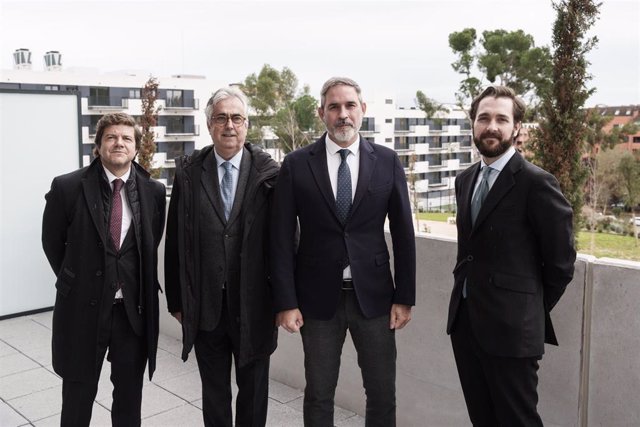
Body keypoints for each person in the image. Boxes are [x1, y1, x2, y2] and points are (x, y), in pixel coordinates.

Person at [270, 77, 416, 426]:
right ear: (321, 113)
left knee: (382, 393)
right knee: (319, 393)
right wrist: (285, 302)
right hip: (317, 301)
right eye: (334, 107)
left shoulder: (387, 160)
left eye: (350, 105)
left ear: (362, 110)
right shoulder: (296, 164)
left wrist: (405, 297)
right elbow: (280, 237)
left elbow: (403, 231)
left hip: (377, 300)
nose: (342, 114)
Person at [446, 85, 576, 426]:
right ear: (473, 124)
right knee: (483, 419)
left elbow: (561, 264)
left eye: (501, 119)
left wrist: (525, 310)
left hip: (512, 332)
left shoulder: (537, 183)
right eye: (483, 118)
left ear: (516, 127)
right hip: (466, 325)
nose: (491, 126)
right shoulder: (465, 180)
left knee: (518, 421)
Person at [164, 86, 279, 427]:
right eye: (221, 118)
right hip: (206, 307)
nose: (229, 125)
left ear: (247, 124)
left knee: (254, 392)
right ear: (209, 124)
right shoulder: (189, 173)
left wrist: (285, 299)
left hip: (255, 306)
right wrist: (177, 300)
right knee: (214, 394)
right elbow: (175, 241)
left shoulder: (270, 174)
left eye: (237, 118)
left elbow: (287, 241)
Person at [42, 112, 166, 426]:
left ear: (136, 147)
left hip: (131, 314)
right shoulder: (68, 187)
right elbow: (52, 243)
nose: (119, 143)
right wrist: (78, 279)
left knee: (128, 398)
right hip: (83, 310)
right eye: (111, 137)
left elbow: (149, 242)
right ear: (98, 145)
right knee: (77, 397)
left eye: (126, 138)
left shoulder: (152, 192)